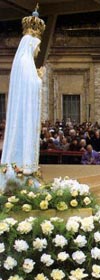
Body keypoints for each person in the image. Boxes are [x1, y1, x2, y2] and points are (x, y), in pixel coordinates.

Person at [0, 9, 45, 176]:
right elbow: (30, 86)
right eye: (38, 47)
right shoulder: (26, 62)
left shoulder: (22, 62)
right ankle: (22, 167)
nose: (39, 51)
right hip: (23, 114)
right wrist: (39, 79)